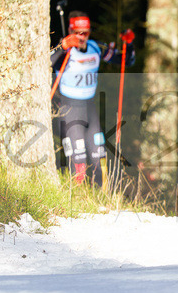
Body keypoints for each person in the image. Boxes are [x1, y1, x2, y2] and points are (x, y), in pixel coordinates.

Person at [50, 11, 134, 186]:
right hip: (68, 108)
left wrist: (129, 44)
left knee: (99, 155)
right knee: (77, 157)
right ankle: (76, 198)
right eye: (78, 33)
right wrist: (63, 46)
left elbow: (127, 60)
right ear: (71, 30)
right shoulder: (64, 50)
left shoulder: (95, 47)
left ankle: (102, 197)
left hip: (89, 108)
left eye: (85, 33)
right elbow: (46, 62)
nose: (81, 37)